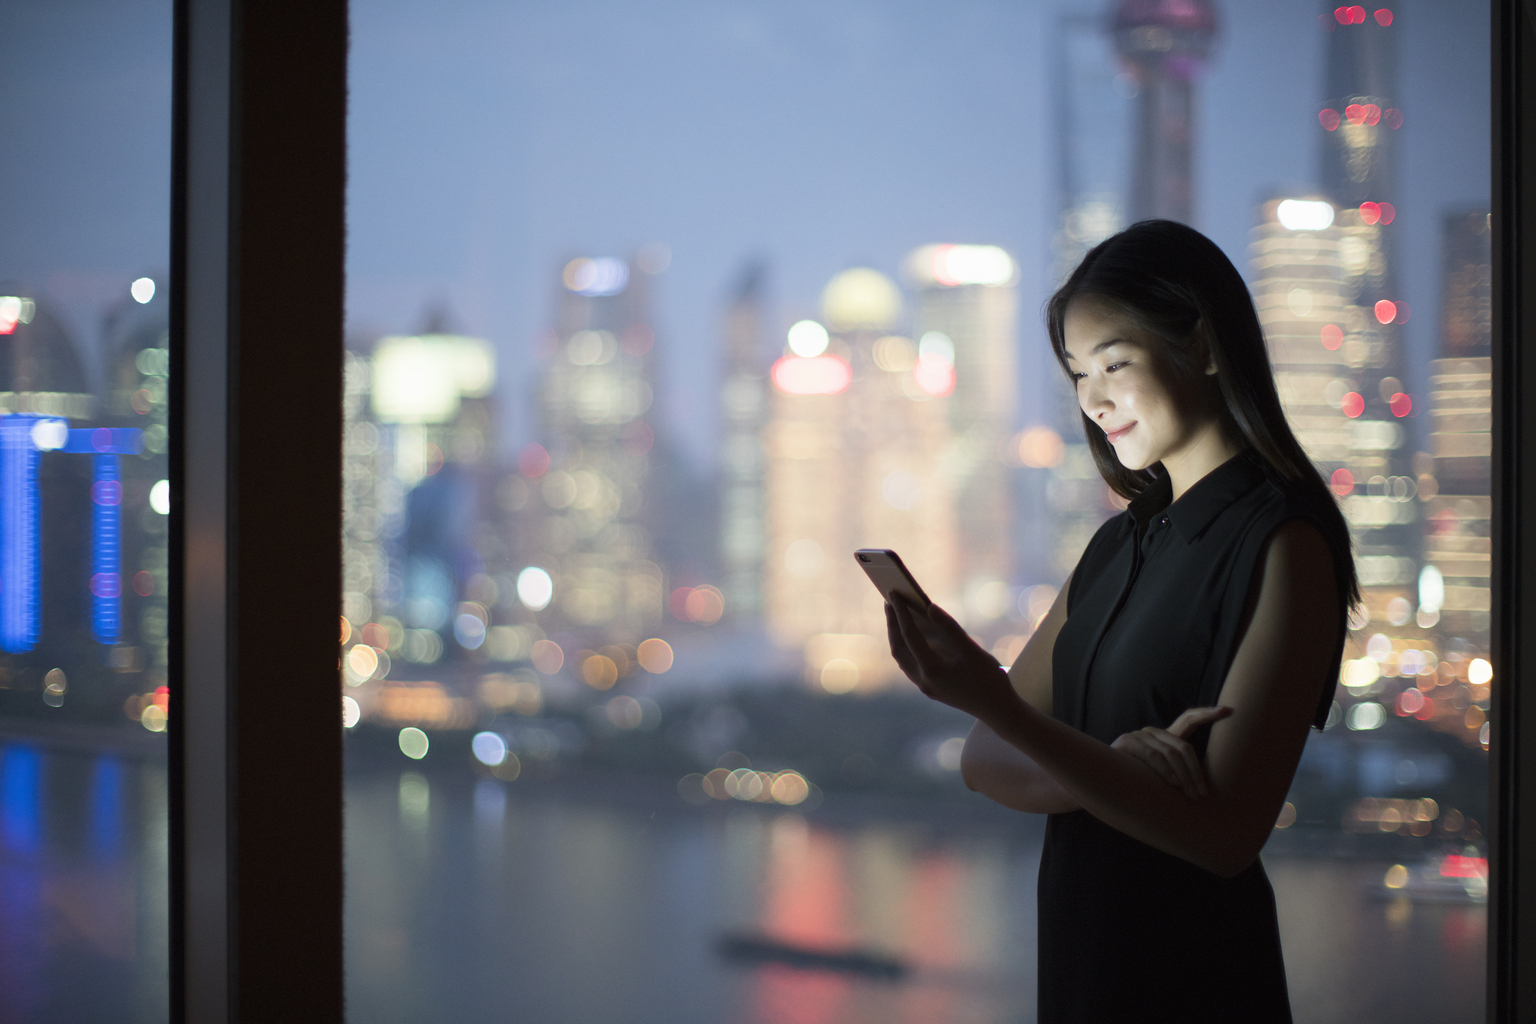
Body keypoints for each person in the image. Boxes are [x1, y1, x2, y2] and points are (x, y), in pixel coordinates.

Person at [884, 219, 1358, 1023]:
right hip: (1082, 971)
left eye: (1114, 363)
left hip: (1200, 981)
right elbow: (983, 762)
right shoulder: (1118, 545)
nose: (1092, 399)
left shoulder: (1284, 545)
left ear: (1203, 347)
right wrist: (1111, 768)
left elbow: (1225, 835)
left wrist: (998, 705)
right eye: (1076, 374)